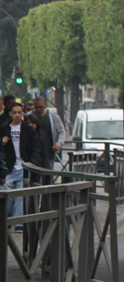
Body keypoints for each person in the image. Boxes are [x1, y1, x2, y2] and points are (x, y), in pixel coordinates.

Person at [2, 102, 42, 230]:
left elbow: (35, 147)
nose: (18, 115)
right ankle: (6, 219)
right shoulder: (4, 128)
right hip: (8, 167)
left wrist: (32, 163)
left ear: (23, 114)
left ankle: (18, 223)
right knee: (6, 196)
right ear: (10, 114)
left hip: (23, 167)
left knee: (20, 196)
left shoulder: (28, 129)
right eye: (15, 113)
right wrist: (2, 143)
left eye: (20, 112)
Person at [32, 95, 64, 169]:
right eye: (36, 107)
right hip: (33, 153)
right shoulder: (30, 116)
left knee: (48, 175)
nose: (38, 109)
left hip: (48, 152)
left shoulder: (53, 116)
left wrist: (58, 143)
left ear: (45, 105)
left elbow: (61, 131)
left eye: (41, 107)